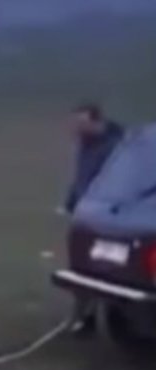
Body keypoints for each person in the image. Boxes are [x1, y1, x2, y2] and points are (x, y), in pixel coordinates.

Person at [65, 103, 125, 334]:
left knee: (111, 268)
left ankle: (118, 319)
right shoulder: (84, 144)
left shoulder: (117, 147)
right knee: (81, 267)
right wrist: (71, 201)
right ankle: (84, 318)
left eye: (82, 123)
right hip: (85, 216)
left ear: (96, 121)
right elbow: (81, 175)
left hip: (109, 220)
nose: (76, 128)